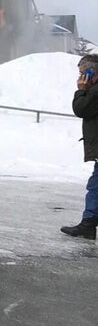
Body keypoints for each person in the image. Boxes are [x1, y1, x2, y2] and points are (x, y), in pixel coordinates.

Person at [61, 54, 98, 239]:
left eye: (83, 72)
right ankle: (88, 223)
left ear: (92, 72)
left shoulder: (94, 91)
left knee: (95, 187)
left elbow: (80, 109)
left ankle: (88, 224)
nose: (80, 77)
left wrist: (81, 90)